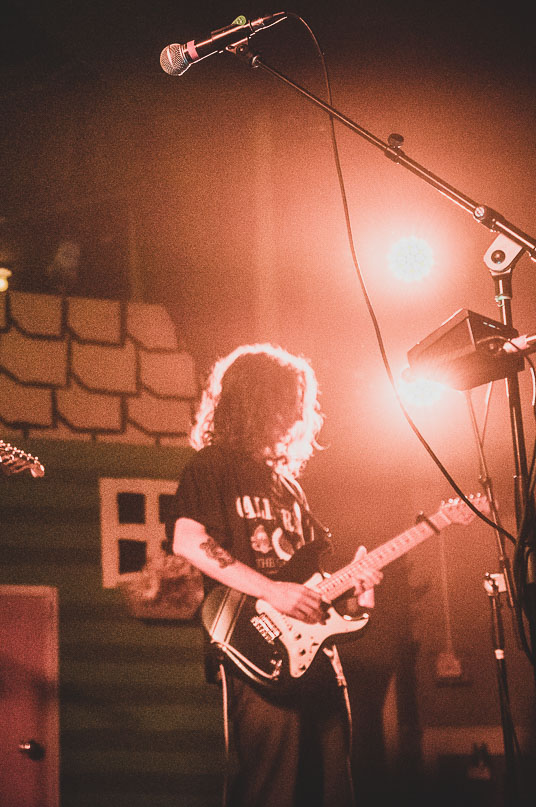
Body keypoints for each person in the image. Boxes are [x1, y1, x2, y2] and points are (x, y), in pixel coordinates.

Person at [168, 343, 381, 807]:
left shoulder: (290, 488)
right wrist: (272, 592)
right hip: (257, 649)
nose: (295, 414)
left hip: (318, 657)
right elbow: (188, 540)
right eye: (287, 401)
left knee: (334, 792)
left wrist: (354, 597)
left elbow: (315, 585)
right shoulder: (213, 467)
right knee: (273, 792)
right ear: (255, 401)